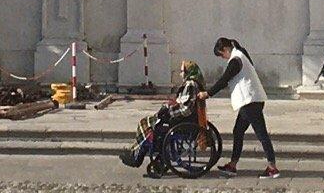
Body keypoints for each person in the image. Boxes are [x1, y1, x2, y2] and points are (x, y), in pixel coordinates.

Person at [120, 61, 206, 178]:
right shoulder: (193, 83)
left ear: (188, 72)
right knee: (148, 122)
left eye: (182, 71)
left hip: (183, 121)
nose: (180, 74)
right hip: (184, 119)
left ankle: (138, 157)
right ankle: (138, 154)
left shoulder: (190, 84)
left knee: (151, 126)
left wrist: (169, 111)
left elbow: (186, 109)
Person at [209, 36, 279, 178]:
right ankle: (233, 165)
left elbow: (224, 79)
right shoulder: (241, 54)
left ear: (226, 49)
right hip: (250, 100)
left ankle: (272, 167)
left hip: (250, 101)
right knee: (238, 131)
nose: (223, 58)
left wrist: (208, 93)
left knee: (261, 134)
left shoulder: (236, 60)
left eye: (222, 54)